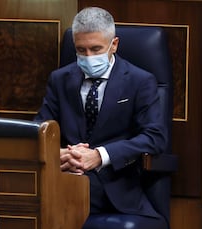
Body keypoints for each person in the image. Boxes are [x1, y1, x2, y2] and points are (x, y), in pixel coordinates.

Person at [34, 7, 167, 217]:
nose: (88, 57)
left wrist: (99, 156)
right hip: (63, 173)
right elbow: (40, 129)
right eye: (81, 50)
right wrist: (56, 154)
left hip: (112, 182)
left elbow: (155, 138)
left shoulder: (140, 81)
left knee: (57, 198)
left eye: (96, 49)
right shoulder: (60, 80)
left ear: (114, 44)